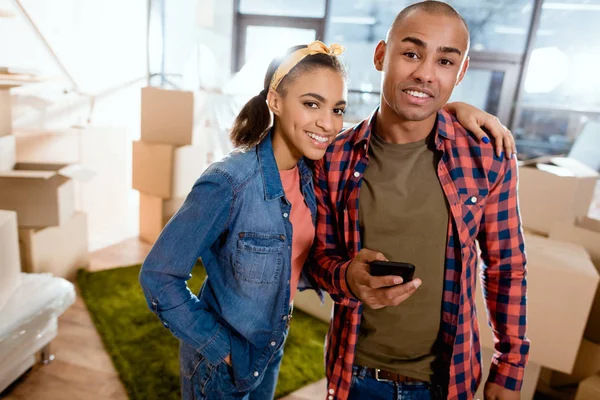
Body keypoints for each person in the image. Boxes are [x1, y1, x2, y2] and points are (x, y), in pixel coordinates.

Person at [139, 39, 517, 400]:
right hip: (222, 363)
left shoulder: (314, 172)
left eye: (337, 109)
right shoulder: (229, 182)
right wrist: (220, 349)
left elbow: (400, 120)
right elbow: (159, 277)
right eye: (311, 104)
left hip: (268, 350)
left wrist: (452, 109)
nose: (327, 123)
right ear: (275, 100)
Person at [308, 2, 529, 400]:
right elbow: (318, 259)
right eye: (411, 53)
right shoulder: (333, 158)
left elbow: (507, 269)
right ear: (381, 56)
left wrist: (509, 367)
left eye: (445, 61)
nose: (425, 73)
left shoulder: (487, 155)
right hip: (355, 375)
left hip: (448, 380)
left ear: (460, 73)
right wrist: (347, 279)